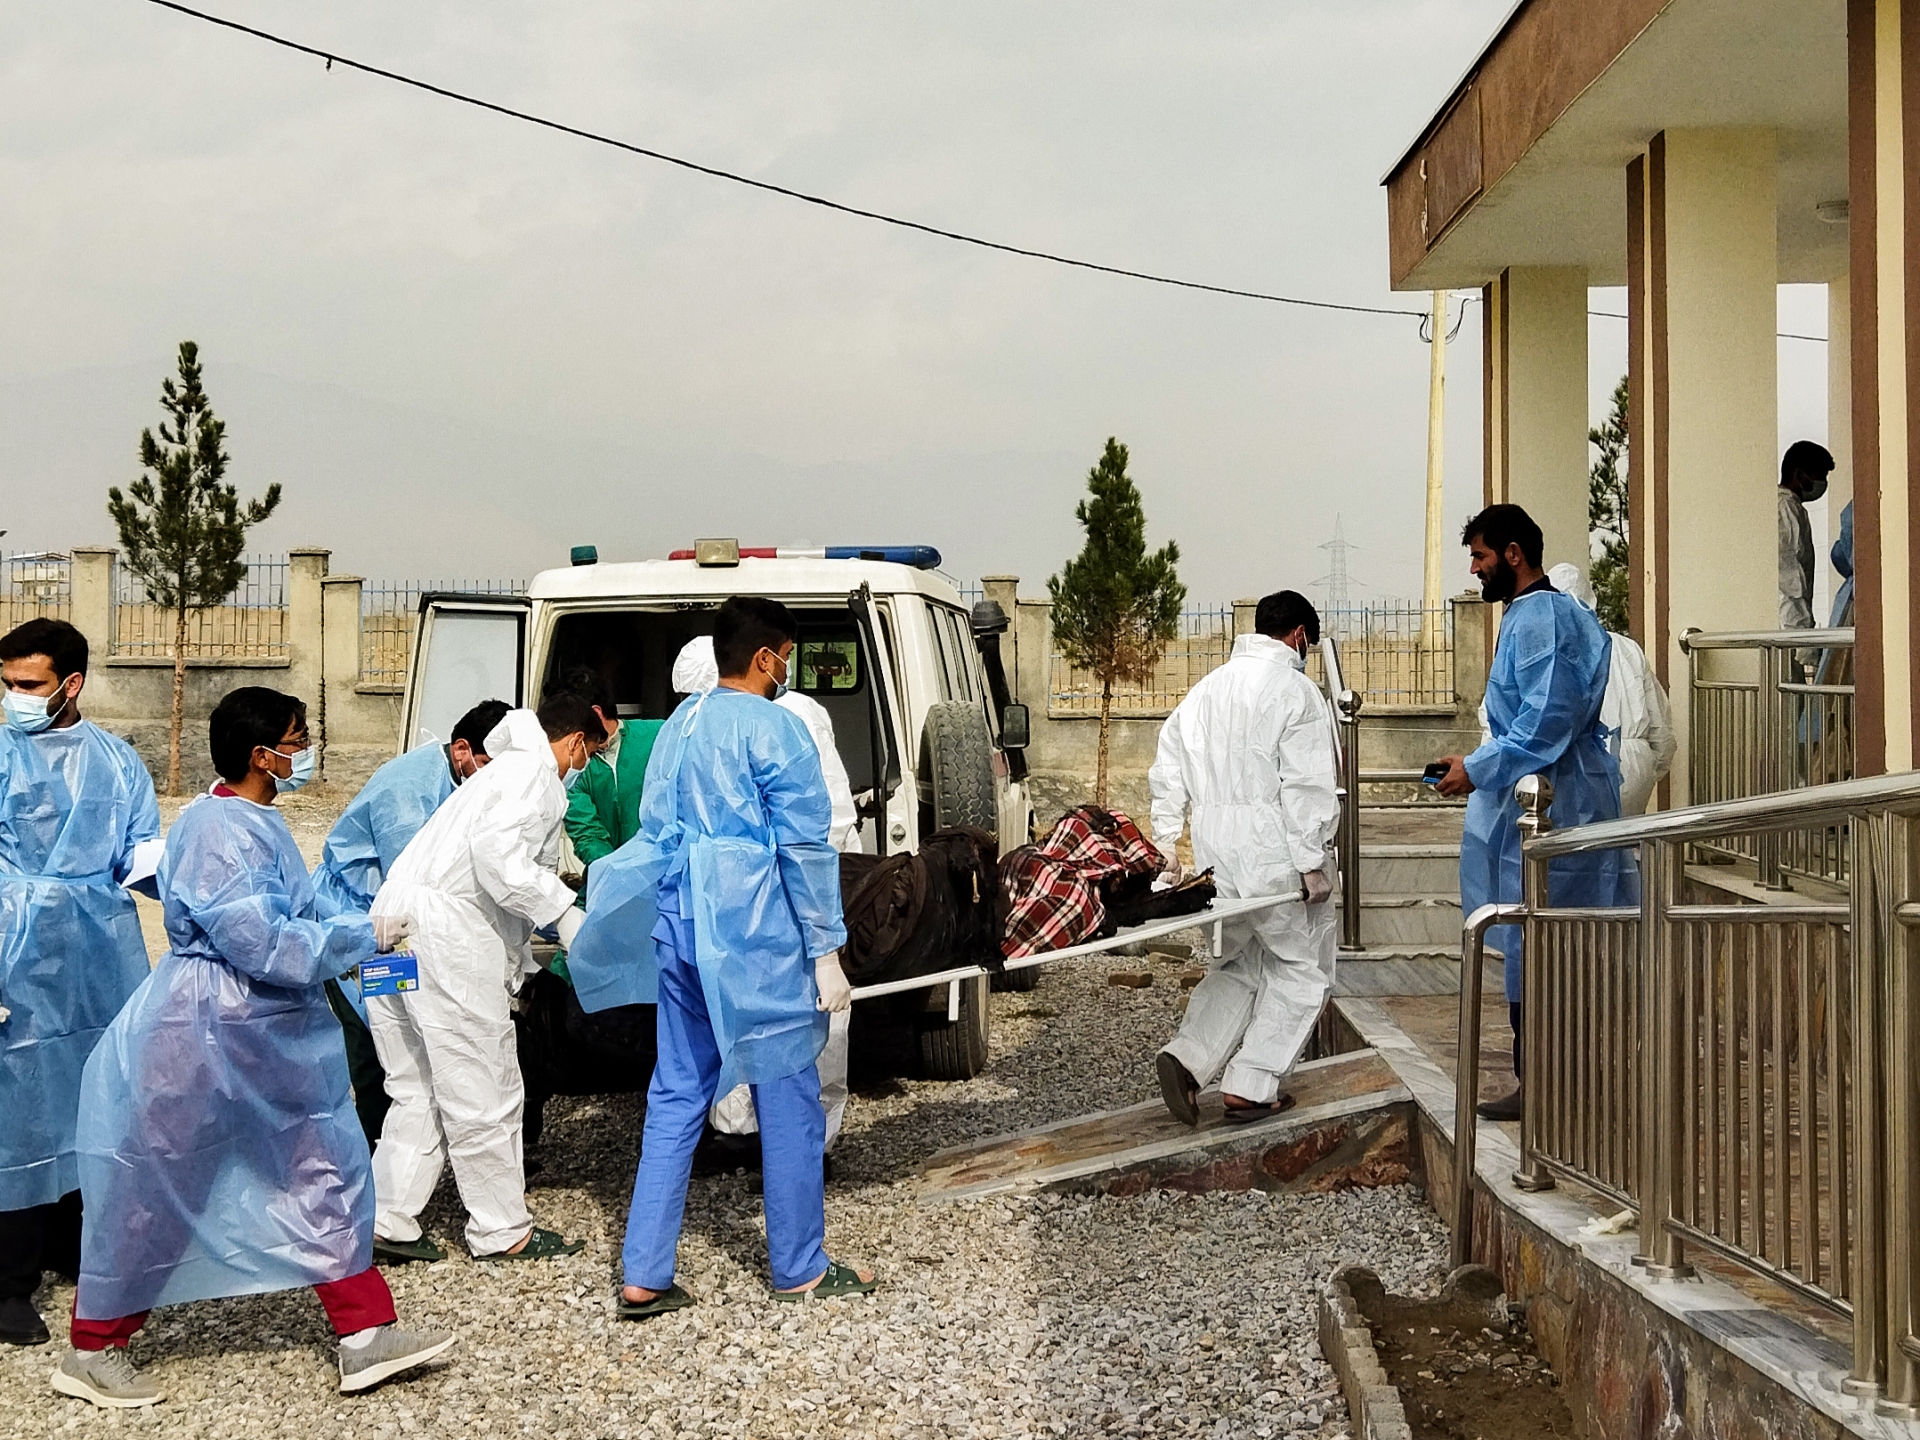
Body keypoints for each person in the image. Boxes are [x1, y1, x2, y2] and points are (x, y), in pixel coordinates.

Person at [62, 687, 452, 1408]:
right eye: (297, 739)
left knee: (321, 1169)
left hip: (263, 1036)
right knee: (163, 1187)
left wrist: (355, 933)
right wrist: (361, 937)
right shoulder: (218, 827)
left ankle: (364, 1333)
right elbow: (260, 939)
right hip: (205, 1033)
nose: (305, 752)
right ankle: (93, 1346)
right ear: (260, 754)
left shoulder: (253, 821)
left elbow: (284, 918)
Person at [593, 597, 875, 1319]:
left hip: (682, 931)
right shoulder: (775, 729)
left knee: (676, 1093)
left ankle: (644, 1273)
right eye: (787, 656)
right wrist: (826, 951)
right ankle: (800, 1267)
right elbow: (806, 849)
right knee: (788, 1100)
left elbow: (656, 830)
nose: (788, 671)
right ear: (765, 658)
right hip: (757, 941)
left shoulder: (679, 728)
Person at [365, 693, 605, 1264]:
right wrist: (568, 916)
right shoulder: (535, 776)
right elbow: (502, 866)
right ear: (574, 743)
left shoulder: (490, 779)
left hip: (387, 929)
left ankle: (385, 1216)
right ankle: (501, 1230)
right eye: (588, 757)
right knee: (485, 1089)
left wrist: (519, 966)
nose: (582, 771)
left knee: (415, 1083)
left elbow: (491, 877)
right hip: (444, 940)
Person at [1433, 505, 1631, 1122]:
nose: (1474, 569)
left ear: (1513, 554)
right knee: (1543, 938)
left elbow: (1545, 720)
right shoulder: (1539, 616)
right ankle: (1557, 1080)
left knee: (1542, 938)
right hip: (1555, 793)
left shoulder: (1542, 617)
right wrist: (1476, 762)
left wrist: (1481, 767)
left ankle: (1547, 1085)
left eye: (1481, 557)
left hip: (1554, 800)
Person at [0, 619, 159, 1350]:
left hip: (99, 953)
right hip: (14, 948)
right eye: (5, 685)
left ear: (72, 683)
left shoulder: (118, 762)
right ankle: (8, 1283)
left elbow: (142, 856)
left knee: (95, 1094)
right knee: (18, 1111)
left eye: (27, 686)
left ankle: (73, 1247)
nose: (13, 699)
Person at [1149, 591, 1340, 1127]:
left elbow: (1166, 770)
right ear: (1300, 635)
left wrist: (1168, 843)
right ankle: (1252, 1084)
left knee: (1237, 962)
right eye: (1311, 643)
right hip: (1273, 847)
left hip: (1217, 850)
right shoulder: (1297, 693)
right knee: (1300, 969)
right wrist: (1311, 860)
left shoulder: (1205, 691)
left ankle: (1189, 1058)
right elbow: (1305, 785)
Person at [667, 635, 859, 1154]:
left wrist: (822, 933)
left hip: (797, 899)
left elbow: (823, 826)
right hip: (740, 909)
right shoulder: (700, 723)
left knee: (814, 1036)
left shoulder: (793, 717)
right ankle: (745, 1138)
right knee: (741, 1027)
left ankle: (816, 1145)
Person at [314, 699, 512, 1145]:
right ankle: (370, 1165)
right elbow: (413, 885)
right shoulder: (407, 793)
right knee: (379, 1046)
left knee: (413, 1043)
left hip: (397, 922)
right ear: (462, 749)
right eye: (488, 765)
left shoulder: (456, 783)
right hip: (362, 923)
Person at [1496, 566, 1673, 818]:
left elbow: (1501, 723)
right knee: (1622, 847)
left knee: (1569, 849)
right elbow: (1660, 729)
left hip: (1569, 767)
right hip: (1633, 765)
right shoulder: (1626, 648)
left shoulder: (1533, 649)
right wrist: (1646, 768)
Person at [1778, 440, 1835, 650]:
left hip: (1791, 627)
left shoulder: (1792, 508)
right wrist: (1801, 637)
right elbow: (1791, 582)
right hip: (1788, 628)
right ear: (1800, 475)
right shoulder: (1786, 509)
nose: (1822, 482)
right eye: (1820, 474)